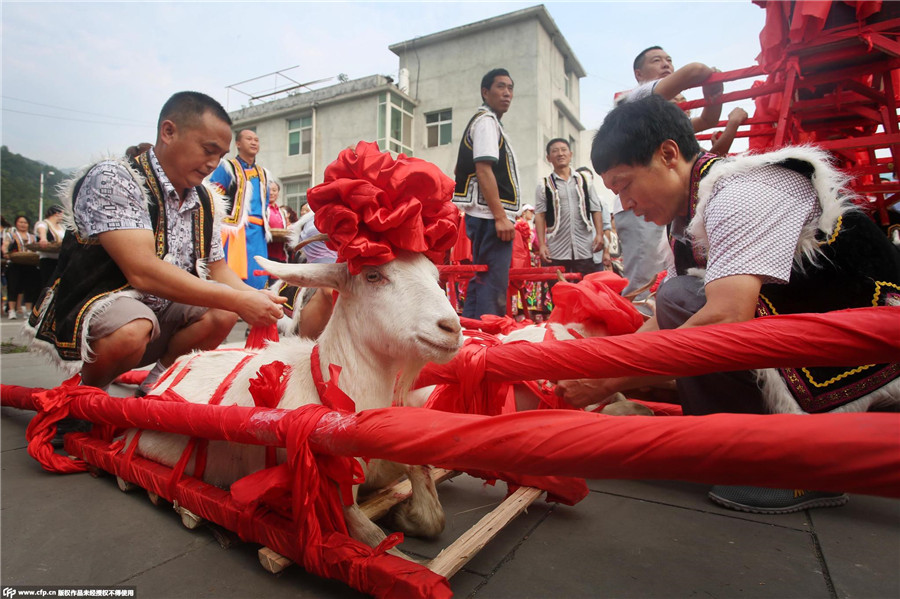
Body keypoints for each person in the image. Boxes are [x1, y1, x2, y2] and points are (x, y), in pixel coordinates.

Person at [564, 93, 900, 513]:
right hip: (826, 343)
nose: (626, 205)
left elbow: (724, 317)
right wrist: (604, 364)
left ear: (668, 154)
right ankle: (737, 446)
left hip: (876, 355)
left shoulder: (742, 191)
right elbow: (667, 323)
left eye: (625, 185)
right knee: (676, 299)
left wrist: (612, 380)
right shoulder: (690, 214)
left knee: (682, 297)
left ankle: (791, 466)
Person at [25, 91, 285, 397]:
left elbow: (218, 269)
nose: (212, 164)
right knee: (136, 327)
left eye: (220, 155)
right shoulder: (115, 178)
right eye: (207, 150)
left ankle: (158, 385)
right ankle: (83, 396)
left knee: (223, 310)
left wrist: (262, 302)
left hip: (158, 313)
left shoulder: (205, 199)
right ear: (169, 131)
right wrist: (239, 301)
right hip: (102, 309)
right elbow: (143, 272)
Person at [614, 46, 725, 310]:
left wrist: (714, 93)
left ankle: (657, 335)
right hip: (640, 203)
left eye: (669, 60)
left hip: (667, 201)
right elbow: (694, 71)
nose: (666, 64)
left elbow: (709, 119)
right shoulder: (637, 101)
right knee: (644, 277)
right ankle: (633, 337)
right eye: (657, 61)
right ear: (639, 74)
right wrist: (710, 75)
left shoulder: (667, 121)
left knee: (667, 274)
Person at [453, 68, 521, 318]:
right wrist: (501, 216)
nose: (507, 93)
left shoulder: (489, 123)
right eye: (501, 87)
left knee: (482, 281)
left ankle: (474, 339)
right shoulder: (486, 122)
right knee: (492, 285)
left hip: (485, 215)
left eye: (510, 88)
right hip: (490, 217)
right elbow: (483, 170)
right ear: (485, 92)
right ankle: (487, 345)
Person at [535, 138, 610, 278]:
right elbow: (540, 215)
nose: (560, 154)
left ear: (570, 154)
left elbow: (595, 208)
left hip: (584, 248)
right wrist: (542, 245)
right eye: (555, 151)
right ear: (548, 158)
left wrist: (599, 234)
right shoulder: (544, 185)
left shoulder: (585, 180)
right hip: (556, 249)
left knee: (585, 289)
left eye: (563, 150)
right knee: (558, 292)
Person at [208, 129, 272, 289]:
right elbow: (213, 197)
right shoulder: (227, 167)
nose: (253, 142)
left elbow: (266, 205)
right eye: (249, 139)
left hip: (258, 234)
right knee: (232, 276)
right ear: (237, 144)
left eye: (256, 140)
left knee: (258, 274)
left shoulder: (264, 173)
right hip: (234, 231)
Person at [2, 215, 41, 319]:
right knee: (13, 287)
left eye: (25, 222)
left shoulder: (32, 237)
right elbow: (5, 245)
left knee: (30, 287)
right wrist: (5, 252)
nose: (23, 224)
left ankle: (28, 311)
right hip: (15, 264)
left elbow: (37, 248)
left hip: (30, 264)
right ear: (16, 223)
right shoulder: (11, 235)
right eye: (21, 222)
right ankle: (11, 310)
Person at [34, 205, 66, 288]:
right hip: (47, 260)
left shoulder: (62, 227)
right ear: (57, 213)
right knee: (48, 284)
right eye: (62, 214)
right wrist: (43, 238)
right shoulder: (44, 224)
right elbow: (42, 230)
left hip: (60, 259)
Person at [266, 180, 290, 263]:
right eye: (268, 190)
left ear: (278, 193)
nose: (271, 193)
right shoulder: (262, 210)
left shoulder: (282, 212)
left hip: (281, 255)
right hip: (266, 254)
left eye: (274, 190)